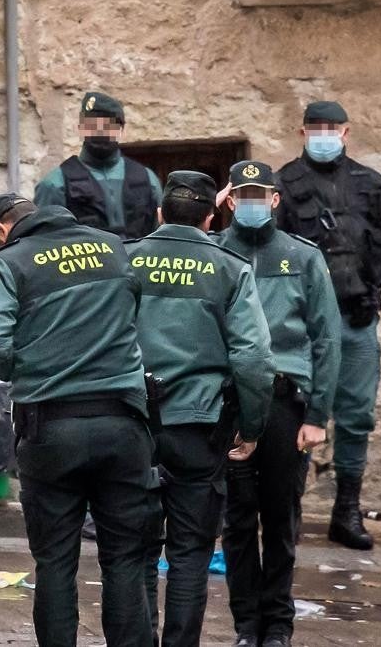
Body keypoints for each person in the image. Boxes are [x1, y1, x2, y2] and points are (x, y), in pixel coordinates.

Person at [0, 194, 157, 647]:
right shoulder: (114, 248)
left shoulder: (11, 263)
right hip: (124, 426)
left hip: (51, 429)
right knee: (126, 559)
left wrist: (26, 367)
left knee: (55, 563)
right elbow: (136, 316)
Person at [125, 170, 275, 647]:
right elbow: (254, 359)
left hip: (134, 426)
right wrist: (250, 428)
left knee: (136, 549)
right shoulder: (230, 268)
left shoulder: (125, 261)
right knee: (189, 553)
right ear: (212, 217)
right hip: (201, 426)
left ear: (160, 214)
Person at [274, 100, 381, 550]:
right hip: (301, 327)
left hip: (356, 320)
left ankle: (346, 511)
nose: (324, 134)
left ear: (346, 132)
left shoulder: (370, 184)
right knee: (295, 414)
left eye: (332, 127)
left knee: (356, 418)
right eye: (315, 127)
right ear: (302, 133)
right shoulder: (283, 183)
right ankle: (287, 508)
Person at [216, 161, 342, 647]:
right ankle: (247, 626)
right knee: (238, 521)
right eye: (242, 195)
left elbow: (327, 339)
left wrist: (317, 416)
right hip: (230, 403)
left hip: (285, 403)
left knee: (281, 517)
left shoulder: (302, 257)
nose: (251, 203)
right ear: (231, 200)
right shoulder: (213, 252)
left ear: (274, 199)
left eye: (259, 195)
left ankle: (278, 627)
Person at [34, 91, 163, 239]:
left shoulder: (147, 179)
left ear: (121, 130)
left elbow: (160, 240)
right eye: (92, 125)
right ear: (80, 129)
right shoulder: (55, 184)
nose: (100, 131)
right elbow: (43, 244)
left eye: (108, 125)